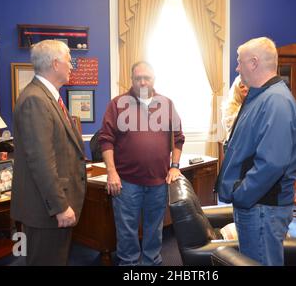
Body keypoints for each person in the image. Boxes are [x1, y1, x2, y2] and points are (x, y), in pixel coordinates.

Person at [216, 37, 296, 266]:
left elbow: (272, 164)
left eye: (239, 62)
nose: (237, 68)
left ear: (253, 63)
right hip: (257, 205)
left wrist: (241, 194)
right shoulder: (262, 95)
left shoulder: (275, 101)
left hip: (262, 207)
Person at [98, 61, 185, 266]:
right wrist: (111, 172)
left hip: (158, 181)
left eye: (147, 77)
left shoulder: (166, 104)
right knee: (126, 230)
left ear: (154, 79)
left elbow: (178, 138)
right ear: (132, 80)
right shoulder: (118, 104)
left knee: (154, 229)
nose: (143, 82)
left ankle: (151, 265)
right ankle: (129, 266)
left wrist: (175, 165)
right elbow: (106, 140)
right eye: (138, 78)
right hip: (126, 182)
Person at [11, 40, 87, 265]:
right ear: (55, 64)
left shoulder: (47, 97)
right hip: (47, 211)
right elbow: (42, 161)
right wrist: (61, 206)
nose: (72, 66)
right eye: (68, 61)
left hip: (50, 208)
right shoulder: (35, 99)